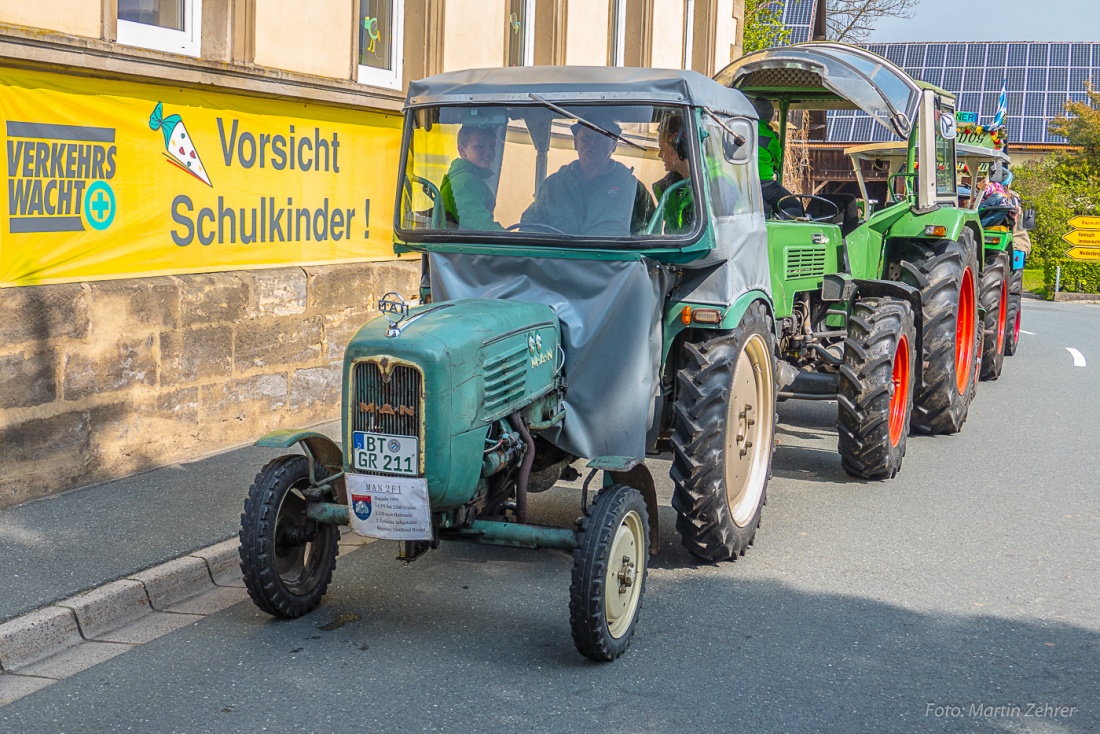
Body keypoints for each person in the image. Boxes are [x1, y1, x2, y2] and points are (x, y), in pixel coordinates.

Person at [521, 112, 655, 236]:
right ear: (575, 143)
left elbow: (648, 242)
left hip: (609, 262)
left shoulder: (632, 189)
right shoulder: (553, 186)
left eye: (600, 140)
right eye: (586, 139)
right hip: (558, 261)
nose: (592, 146)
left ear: (613, 145)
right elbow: (530, 228)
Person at [439, 125, 504, 231]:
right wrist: (513, 239)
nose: (488, 151)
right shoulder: (466, 181)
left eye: (492, 146)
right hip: (459, 244)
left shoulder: (465, 177)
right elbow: (480, 224)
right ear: (462, 151)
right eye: (480, 146)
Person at [752, 97, 800, 217]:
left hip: (742, 182)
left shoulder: (739, 128)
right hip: (764, 184)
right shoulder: (769, 134)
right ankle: (778, 220)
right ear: (769, 117)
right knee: (795, 207)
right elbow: (777, 160)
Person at [652, 114, 695, 233]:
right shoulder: (668, 189)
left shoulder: (714, 183)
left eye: (662, 149)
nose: (660, 155)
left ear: (679, 145)